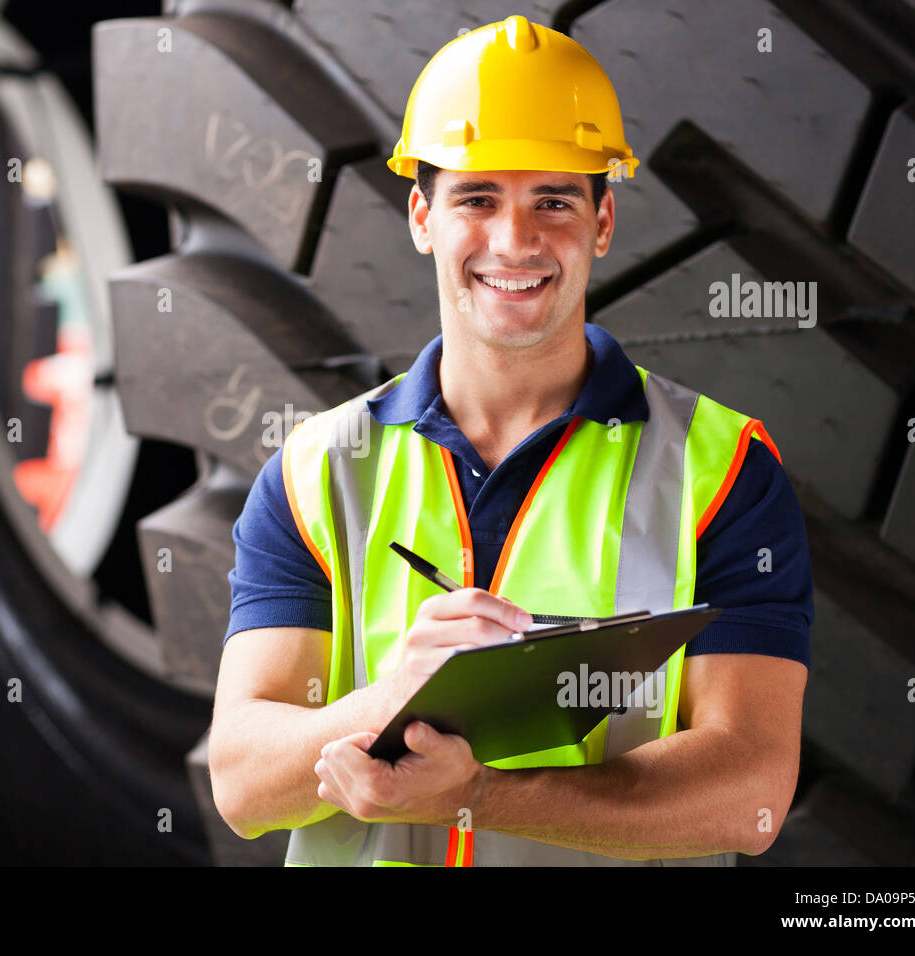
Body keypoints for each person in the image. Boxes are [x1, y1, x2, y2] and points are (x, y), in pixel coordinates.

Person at [208, 15, 811, 866]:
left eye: (554, 201)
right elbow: (240, 784)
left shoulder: (723, 473)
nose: (514, 240)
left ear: (603, 223)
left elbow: (748, 796)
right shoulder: (314, 474)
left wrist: (479, 796)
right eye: (477, 198)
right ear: (423, 217)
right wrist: (389, 700)